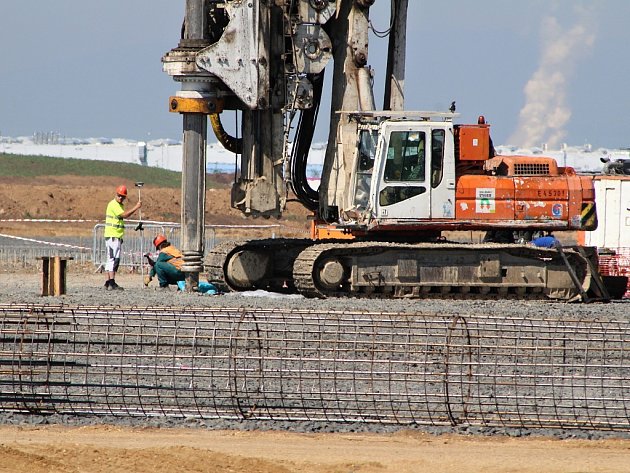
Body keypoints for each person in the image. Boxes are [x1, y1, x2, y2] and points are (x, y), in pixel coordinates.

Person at [104, 184, 141, 290]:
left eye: (123, 196)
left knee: (111, 259)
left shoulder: (119, 205)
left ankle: (108, 282)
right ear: (116, 194)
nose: (121, 198)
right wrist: (136, 207)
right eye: (119, 195)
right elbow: (124, 215)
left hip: (116, 235)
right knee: (113, 259)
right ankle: (111, 282)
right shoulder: (114, 204)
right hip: (112, 236)